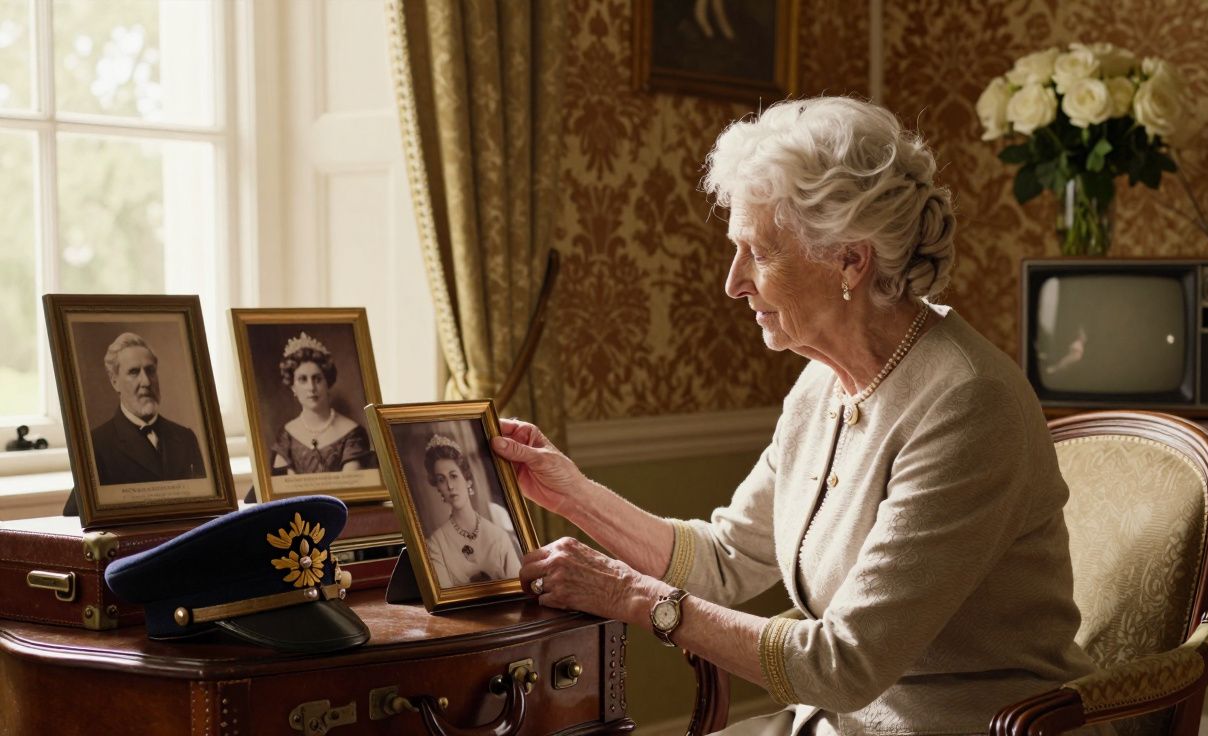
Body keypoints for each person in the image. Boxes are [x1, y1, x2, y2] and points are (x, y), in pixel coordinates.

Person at [492, 97, 1102, 735]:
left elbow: (845, 665)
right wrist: (574, 494)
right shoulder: (820, 387)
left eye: (757, 251)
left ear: (850, 259)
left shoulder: (968, 404)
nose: (733, 282)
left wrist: (633, 598)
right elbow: (726, 558)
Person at [91, 332, 206, 486]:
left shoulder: (185, 438)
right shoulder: (97, 444)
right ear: (115, 382)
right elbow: (75, 510)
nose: (146, 382)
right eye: (134, 372)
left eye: (150, 371)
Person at [422, 434, 522, 587]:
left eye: (454, 476)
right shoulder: (436, 545)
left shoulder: (499, 536)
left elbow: (518, 589)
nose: (449, 486)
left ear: (467, 479)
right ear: (438, 488)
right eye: (441, 480)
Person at [271, 332, 371, 475]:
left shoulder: (353, 434)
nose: (311, 387)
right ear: (293, 387)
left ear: (327, 383)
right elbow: (285, 489)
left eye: (317, 379)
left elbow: (351, 486)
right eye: (302, 379)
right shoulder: (286, 435)